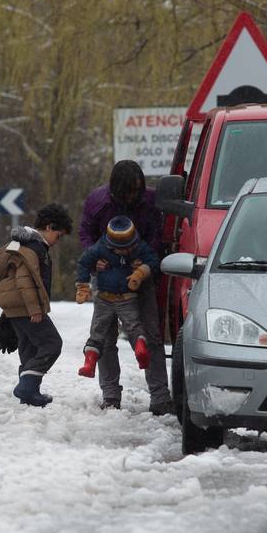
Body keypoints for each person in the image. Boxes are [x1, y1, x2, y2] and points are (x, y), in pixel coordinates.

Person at [77, 160, 173, 414]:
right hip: (107, 278)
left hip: (141, 276)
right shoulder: (98, 202)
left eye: (137, 190)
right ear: (116, 190)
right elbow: (85, 232)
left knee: (150, 335)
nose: (133, 196)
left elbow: (159, 233)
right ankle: (110, 395)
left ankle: (160, 397)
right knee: (105, 338)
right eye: (128, 191)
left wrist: (148, 261)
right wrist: (93, 256)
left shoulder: (151, 201)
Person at [0, 203, 73, 407]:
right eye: (58, 236)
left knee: (29, 347)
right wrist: (35, 309)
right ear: (49, 227)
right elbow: (24, 279)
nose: (58, 241)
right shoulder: (34, 247)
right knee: (52, 344)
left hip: (15, 305)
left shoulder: (21, 244)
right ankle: (27, 387)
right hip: (26, 305)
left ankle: (29, 394)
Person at [75, 215, 159, 379]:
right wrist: (82, 286)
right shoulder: (100, 248)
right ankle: (89, 363)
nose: (125, 251)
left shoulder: (139, 248)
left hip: (126, 297)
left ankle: (140, 350)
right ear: (109, 244)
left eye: (128, 247)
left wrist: (140, 272)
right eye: (119, 249)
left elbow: (153, 261)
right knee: (105, 330)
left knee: (126, 327)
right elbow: (84, 263)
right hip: (104, 298)